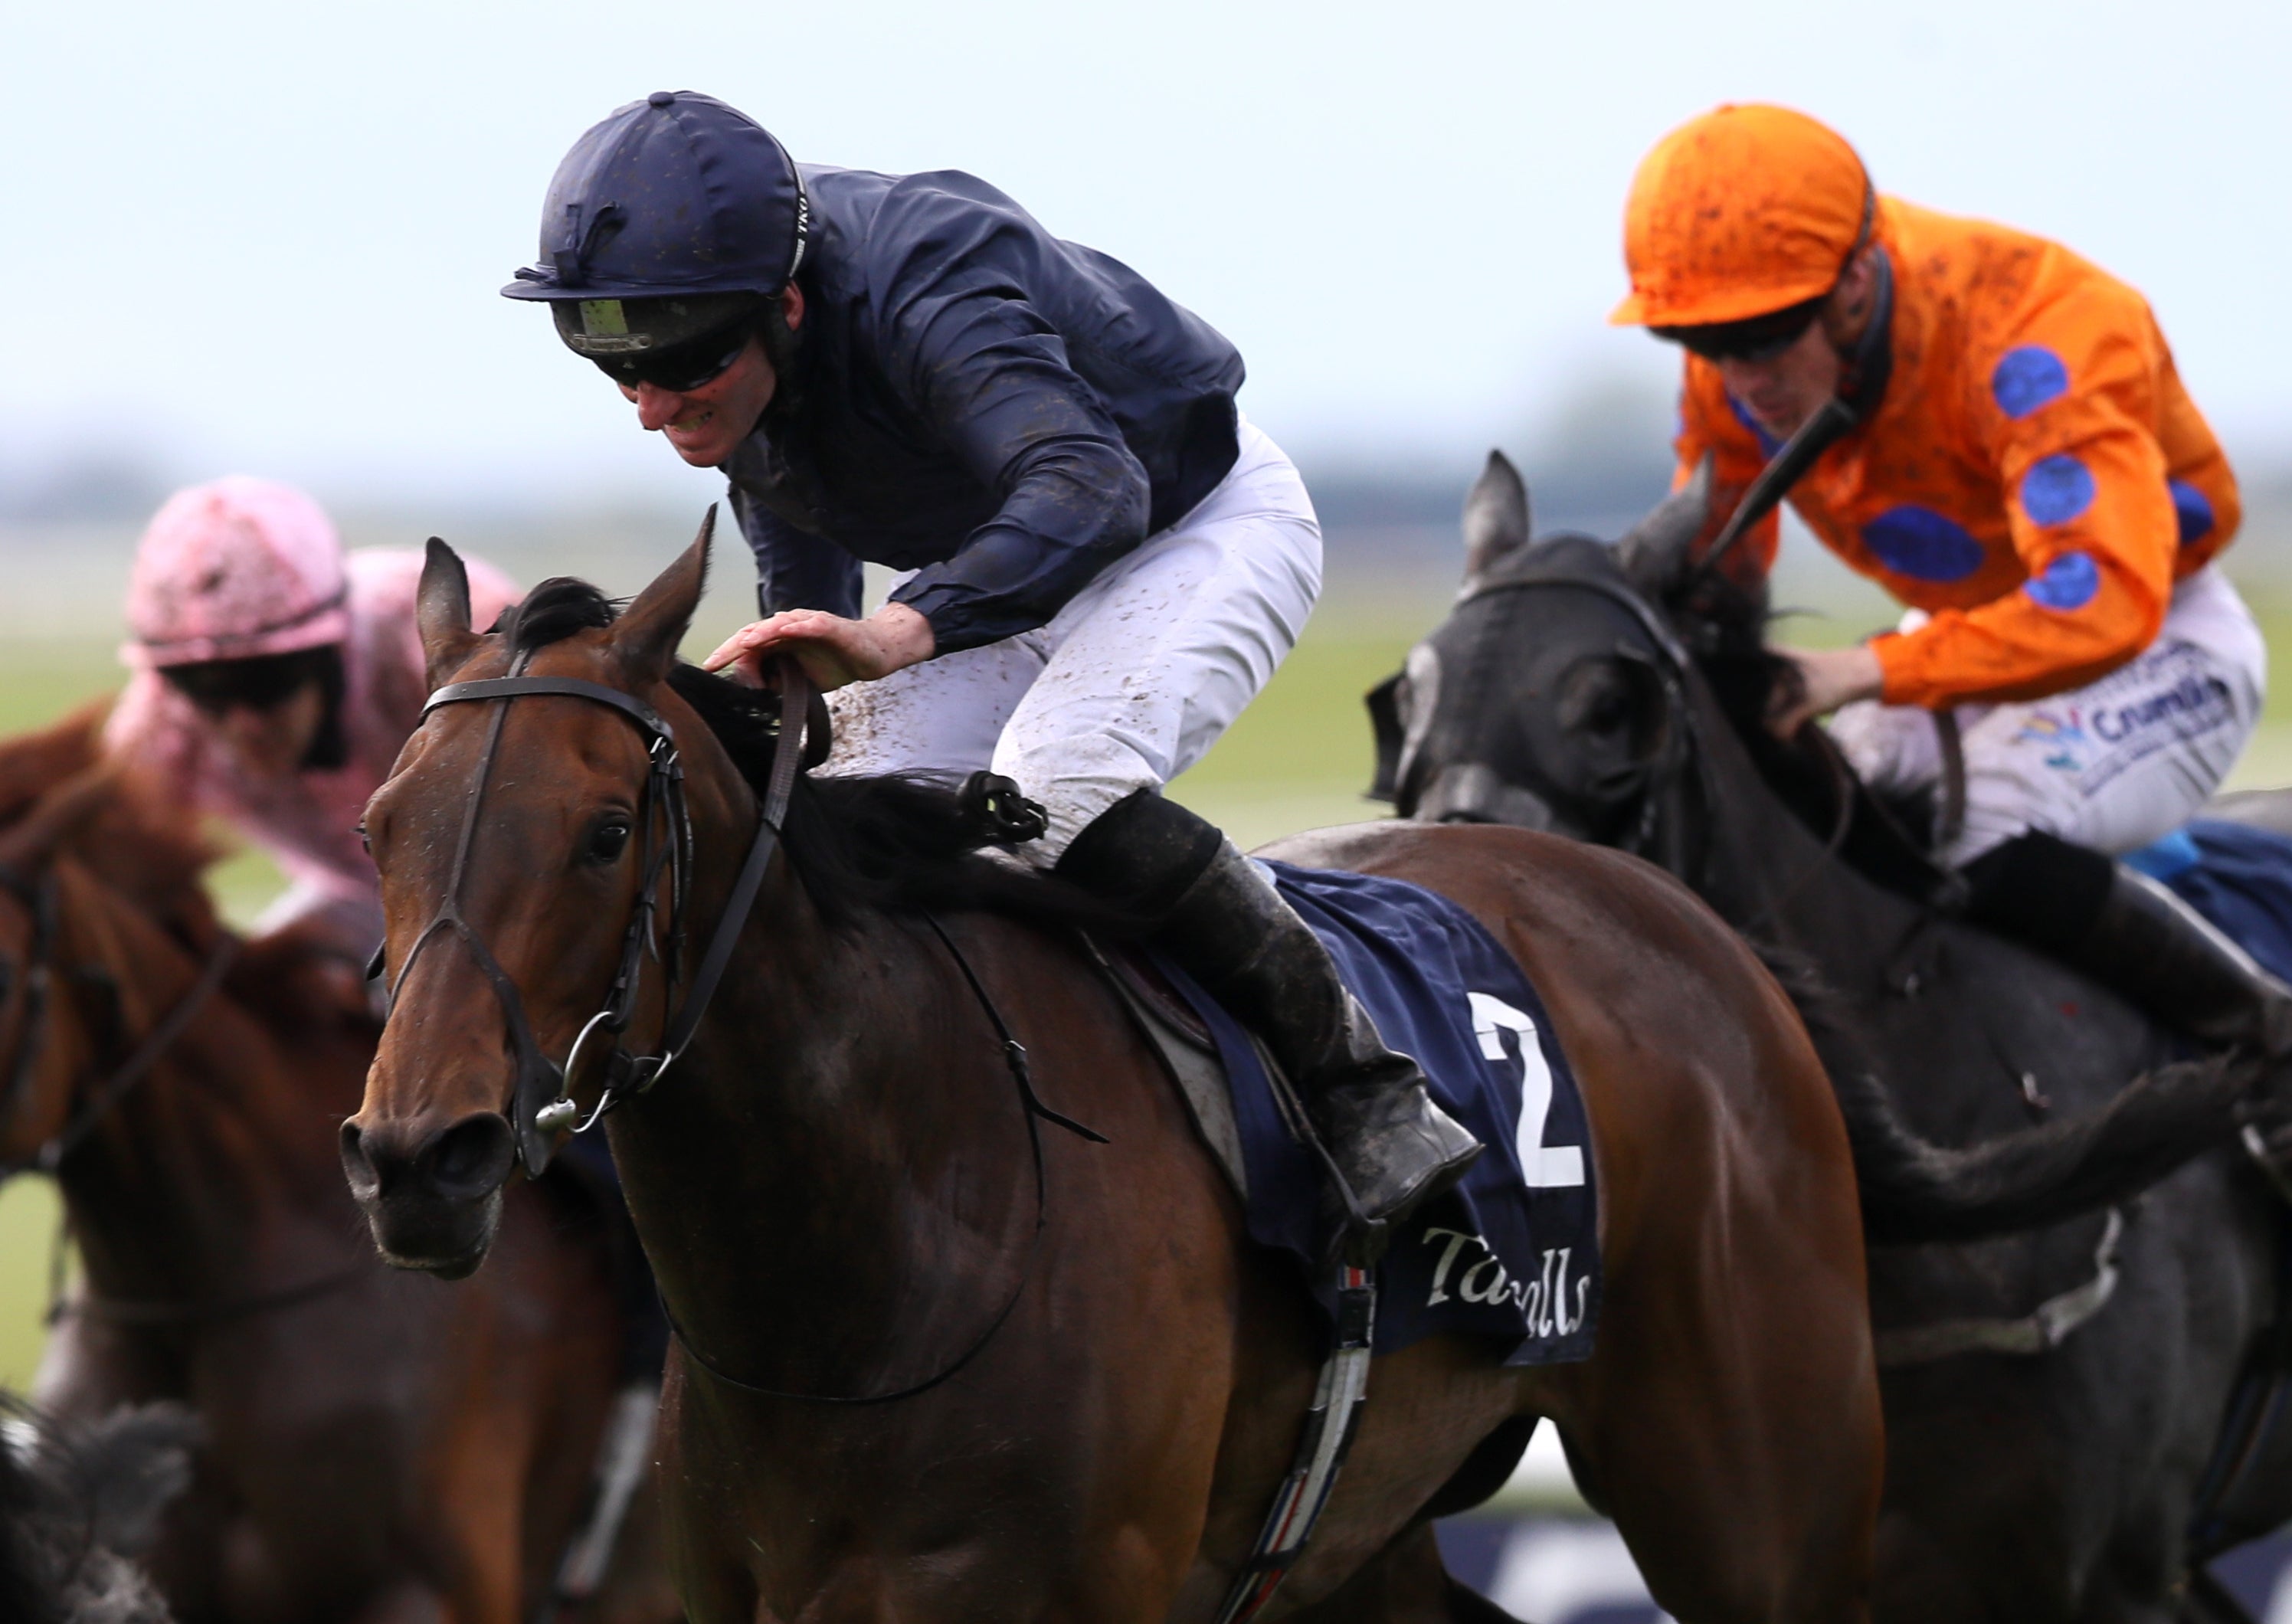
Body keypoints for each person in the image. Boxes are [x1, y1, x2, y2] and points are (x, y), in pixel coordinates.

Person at [503, 90, 1478, 1250]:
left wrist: (906, 632)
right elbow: (798, 519)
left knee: (1063, 781)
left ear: (790, 305)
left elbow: (1090, 485)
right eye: (610, 359)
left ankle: (1362, 1088)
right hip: (999, 570)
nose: (650, 406)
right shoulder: (733, 310)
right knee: (829, 805)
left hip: (1193, 524)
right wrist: (810, 680)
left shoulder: (931, 279)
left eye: (678, 365)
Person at [1612, 103, 2292, 1084]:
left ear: (1852, 281)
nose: (1739, 375)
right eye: (1699, 337)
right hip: (1965, 638)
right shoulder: (1733, 369)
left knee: (1975, 829)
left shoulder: (2042, 332)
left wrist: (1860, 668)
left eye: (1762, 334)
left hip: (2156, 636)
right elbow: (1719, 573)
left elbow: (2099, 602)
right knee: (1826, 819)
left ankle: (2268, 1045)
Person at [105, 476, 519, 964]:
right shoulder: (158, 728)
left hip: (516, 890)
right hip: (356, 898)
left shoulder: (441, 636)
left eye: (267, 680)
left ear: (330, 651)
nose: (243, 723)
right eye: (204, 689)